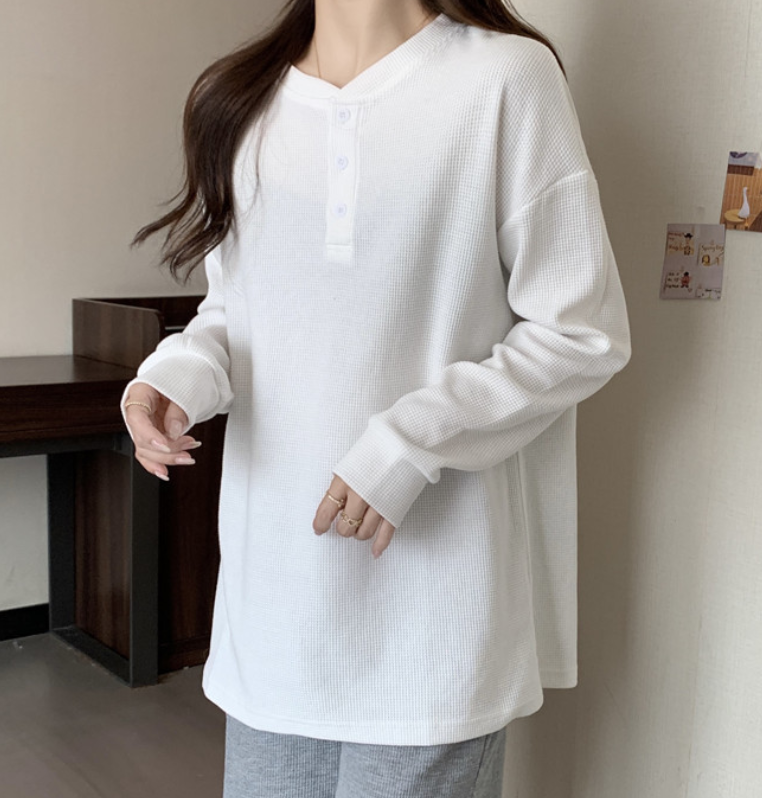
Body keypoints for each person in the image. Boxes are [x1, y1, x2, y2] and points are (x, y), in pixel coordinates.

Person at [120, 0, 632, 795]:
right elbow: (237, 312)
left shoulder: (504, 80)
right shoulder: (237, 99)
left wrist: (410, 442)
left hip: (433, 616)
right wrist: (175, 377)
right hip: (274, 615)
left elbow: (580, 332)